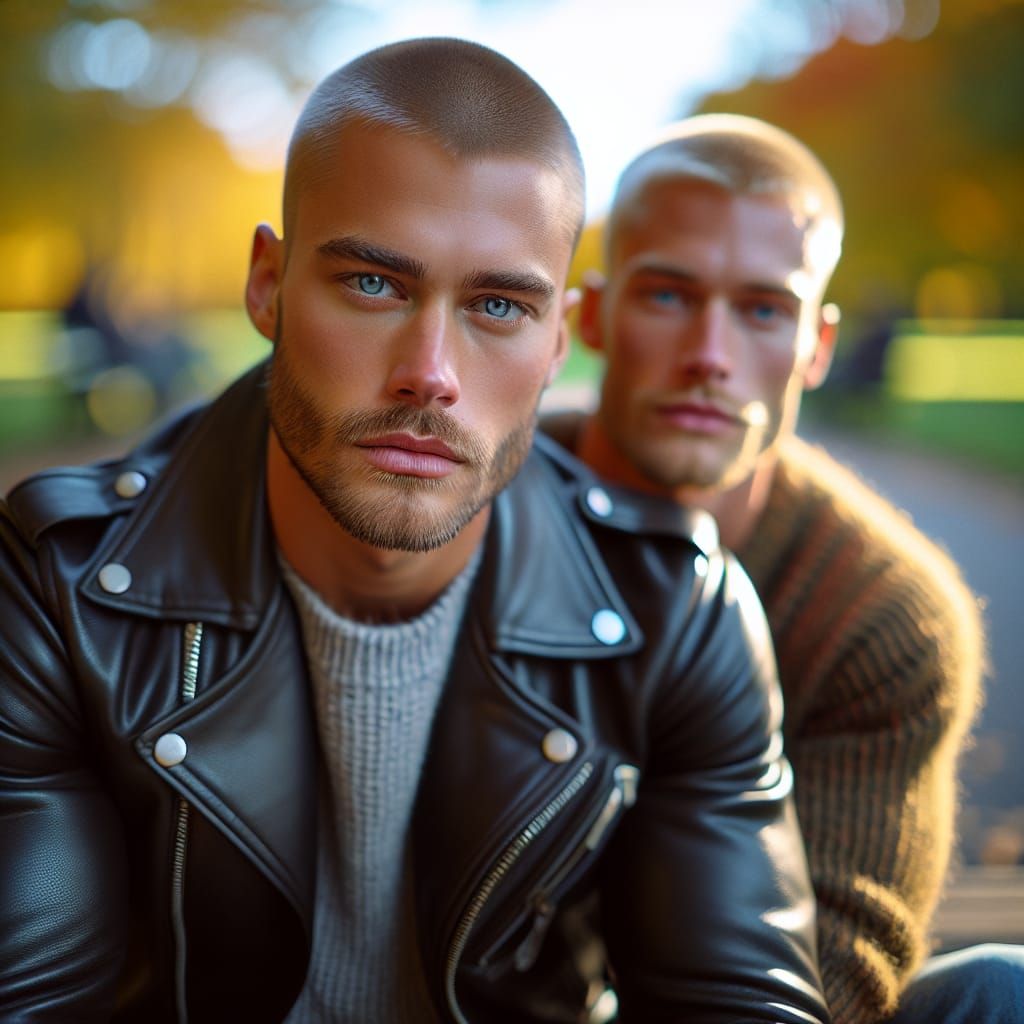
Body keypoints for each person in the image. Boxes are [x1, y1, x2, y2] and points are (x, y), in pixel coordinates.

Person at [0, 41, 830, 1024]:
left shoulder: (675, 604)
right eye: (372, 285)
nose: (428, 371)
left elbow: (734, 1001)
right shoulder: (63, 583)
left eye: (495, 304)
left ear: (557, 339)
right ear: (268, 282)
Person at [544, 113, 1009, 1023]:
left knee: (999, 993)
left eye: (763, 309)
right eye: (669, 296)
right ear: (593, 313)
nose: (710, 357)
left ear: (817, 346)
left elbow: (838, 955)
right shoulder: (477, 499)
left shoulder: (883, 611)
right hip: (490, 987)